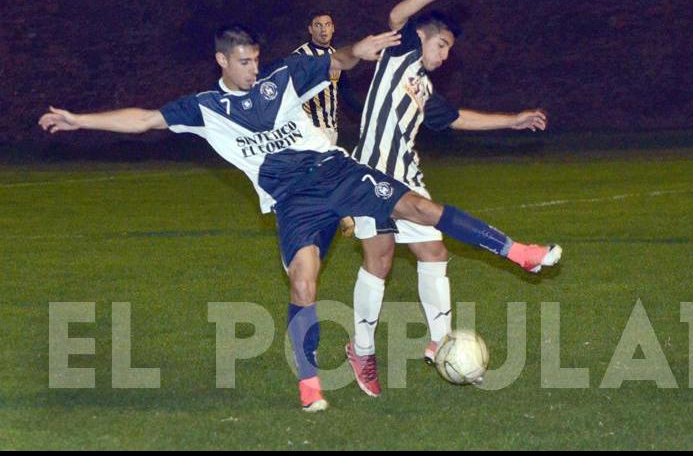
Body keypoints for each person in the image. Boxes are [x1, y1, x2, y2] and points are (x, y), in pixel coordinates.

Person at [39, 27, 562, 413]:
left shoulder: (282, 80)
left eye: (255, 60)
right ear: (221, 61)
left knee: (420, 209)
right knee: (303, 281)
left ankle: (519, 253)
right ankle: (310, 384)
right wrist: (79, 119)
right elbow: (145, 118)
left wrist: (357, 51)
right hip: (294, 201)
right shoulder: (203, 108)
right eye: (243, 62)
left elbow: (337, 60)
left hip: (335, 171)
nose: (253, 68)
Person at [344, 0, 558, 398]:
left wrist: (511, 120)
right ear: (423, 37)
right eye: (441, 45)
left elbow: (457, 118)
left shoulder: (423, 87)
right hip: (370, 174)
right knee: (383, 260)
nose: (444, 56)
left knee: (434, 251)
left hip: (405, 173)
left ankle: (441, 341)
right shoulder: (401, 54)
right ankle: (363, 350)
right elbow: (397, 14)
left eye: (448, 50)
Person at [293, 11, 360, 236]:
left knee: (313, 177)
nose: (323, 29)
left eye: (328, 24)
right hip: (309, 127)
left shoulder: (336, 56)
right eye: (318, 25)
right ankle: (344, 216)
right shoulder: (300, 56)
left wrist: (366, 113)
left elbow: (346, 92)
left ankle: (308, 217)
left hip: (330, 127)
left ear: (333, 28)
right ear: (310, 29)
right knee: (323, 172)